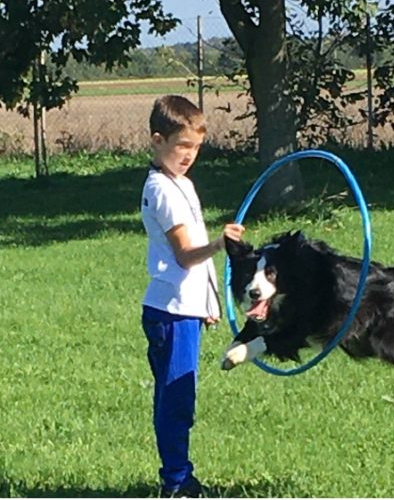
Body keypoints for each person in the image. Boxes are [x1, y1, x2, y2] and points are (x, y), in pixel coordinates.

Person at [140, 95, 245, 497]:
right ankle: (177, 482)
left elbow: (192, 255)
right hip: (169, 312)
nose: (190, 155)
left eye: (196, 147)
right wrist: (220, 243)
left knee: (180, 395)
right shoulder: (162, 190)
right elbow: (186, 254)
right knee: (176, 400)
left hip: (183, 309)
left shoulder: (181, 182)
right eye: (182, 146)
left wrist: (209, 303)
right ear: (157, 140)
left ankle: (179, 477)